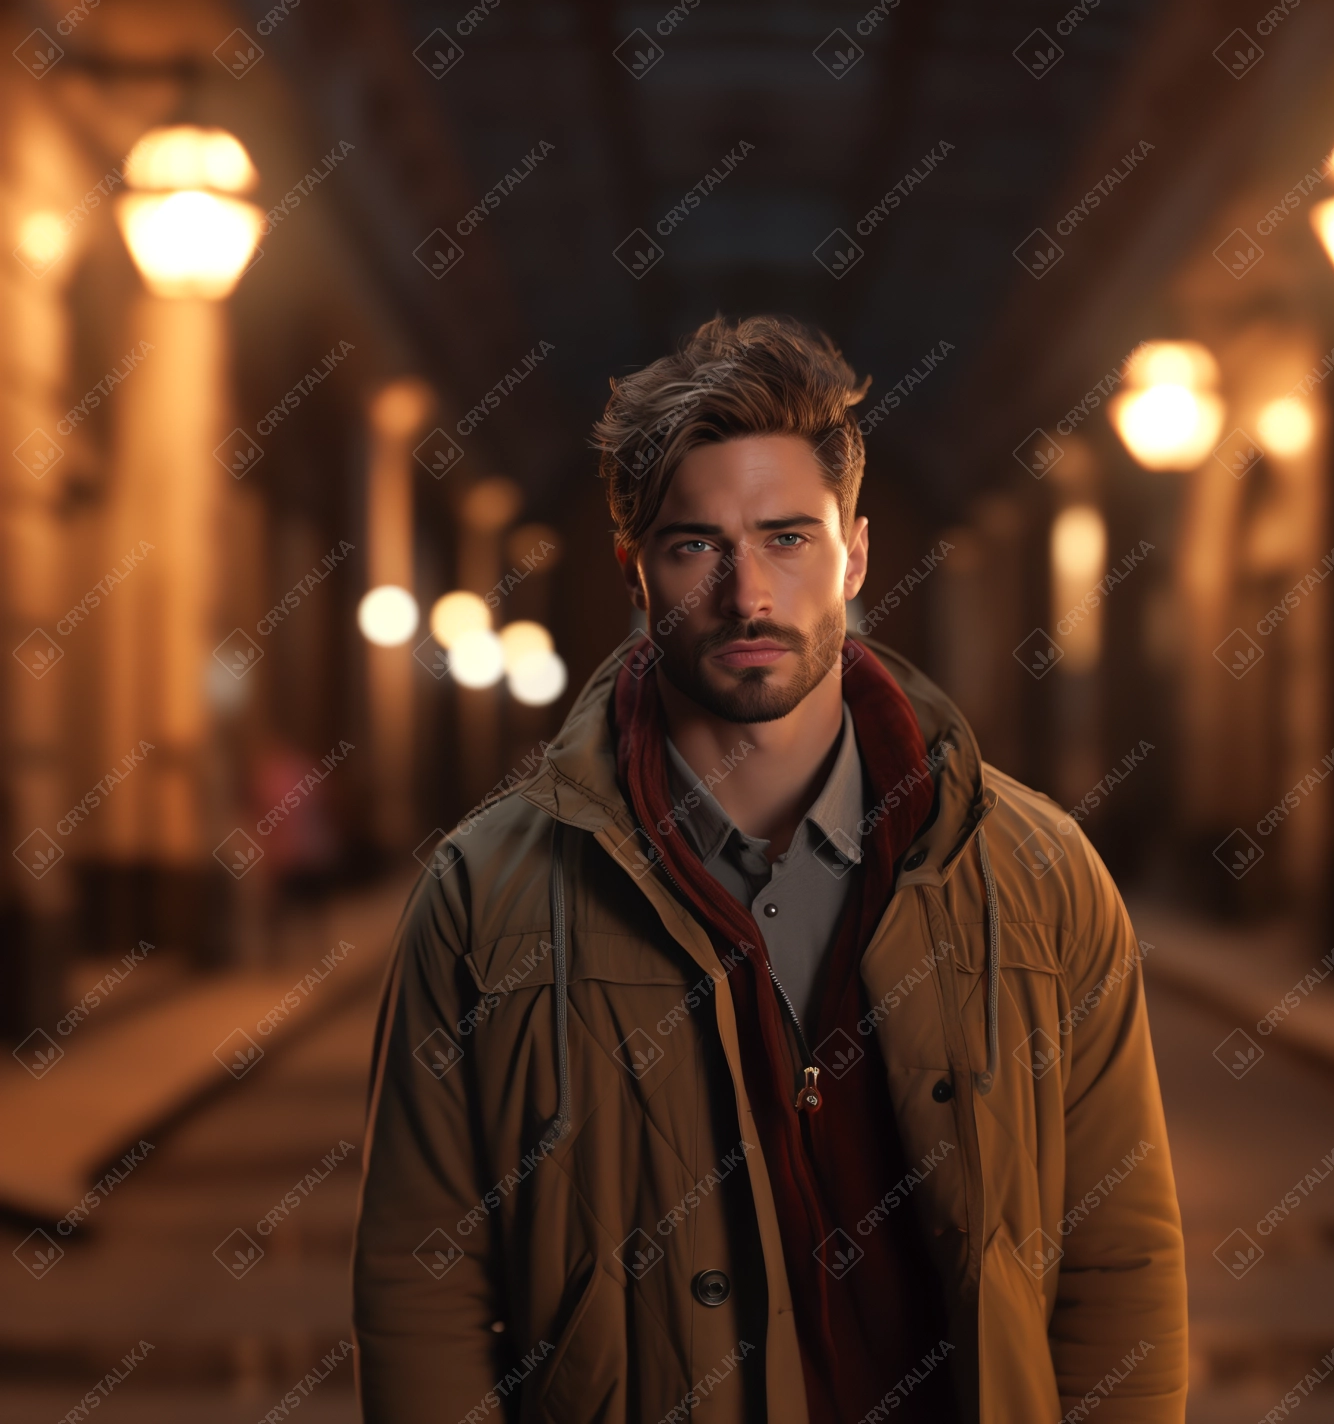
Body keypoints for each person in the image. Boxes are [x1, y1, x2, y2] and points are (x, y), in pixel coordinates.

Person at [352, 315, 1188, 1424]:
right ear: (635, 572)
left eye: (789, 538)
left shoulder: (1039, 879)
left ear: (855, 556)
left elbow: (1118, 1268)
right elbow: (425, 1295)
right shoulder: (481, 899)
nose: (749, 595)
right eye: (698, 545)